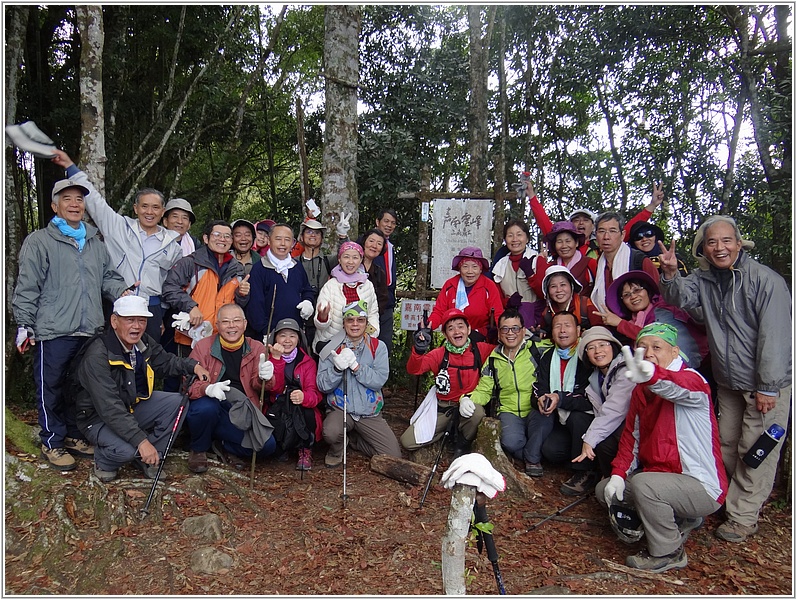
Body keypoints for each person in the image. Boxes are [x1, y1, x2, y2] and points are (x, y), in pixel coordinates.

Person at [658, 214, 791, 543]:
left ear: (738, 243)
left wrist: (768, 386)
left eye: (726, 240)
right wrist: (671, 273)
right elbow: (681, 299)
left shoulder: (765, 280)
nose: (720, 248)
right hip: (729, 382)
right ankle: (732, 501)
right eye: (712, 242)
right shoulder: (706, 280)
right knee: (728, 447)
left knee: (756, 451)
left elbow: (776, 337)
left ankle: (743, 517)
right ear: (703, 248)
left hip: (766, 384)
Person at [12, 177, 130, 470]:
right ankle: (51, 441)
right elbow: (27, 287)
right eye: (67, 199)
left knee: (80, 388)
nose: (74, 204)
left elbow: (108, 278)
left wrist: (123, 292)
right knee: (49, 386)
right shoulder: (40, 241)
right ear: (55, 206)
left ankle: (73, 437)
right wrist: (24, 325)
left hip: (89, 328)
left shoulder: (94, 242)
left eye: (79, 199)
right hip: (53, 329)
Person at [596, 323, 727, 573]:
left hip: (699, 484)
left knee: (645, 485)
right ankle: (680, 519)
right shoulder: (641, 391)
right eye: (642, 347)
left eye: (657, 347)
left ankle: (668, 551)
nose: (649, 353)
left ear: (675, 352)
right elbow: (630, 440)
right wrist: (618, 475)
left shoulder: (693, 381)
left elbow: (676, 387)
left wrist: (653, 377)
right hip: (661, 479)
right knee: (606, 490)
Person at [75, 296, 210, 482]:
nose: (137, 326)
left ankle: (150, 457)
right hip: (97, 417)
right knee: (127, 451)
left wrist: (192, 366)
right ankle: (104, 460)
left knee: (177, 403)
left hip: (131, 405)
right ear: (114, 321)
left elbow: (165, 362)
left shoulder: (141, 342)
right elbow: (109, 407)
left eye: (142, 321)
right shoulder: (97, 355)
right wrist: (141, 441)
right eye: (130, 320)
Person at [51, 150, 182, 340]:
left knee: (149, 362)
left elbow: (172, 282)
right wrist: (70, 166)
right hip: (118, 301)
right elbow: (95, 201)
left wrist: (161, 313)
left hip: (151, 308)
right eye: (144, 206)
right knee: (114, 358)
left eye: (155, 207)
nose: (149, 212)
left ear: (163, 212)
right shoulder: (118, 227)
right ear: (136, 208)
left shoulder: (172, 245)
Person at [184, 303, 277, 473]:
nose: (232, 326)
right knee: (206, 408)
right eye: (226, 322)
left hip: (241, 410)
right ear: (217, 325)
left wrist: (266, 377)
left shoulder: (256, 347)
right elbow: (188, 384)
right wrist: (207, 389)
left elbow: (261, 386)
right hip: (212, 405)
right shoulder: (203, 347)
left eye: (236, 321)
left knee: (267, 446)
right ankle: (198, 449)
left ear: (245, 324)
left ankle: (223, 444)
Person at [316, 300, 402, 466]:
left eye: (360, 320)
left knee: (392, 456)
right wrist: (336, 369)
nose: (355, 324)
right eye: (350, 320)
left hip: (369, 411)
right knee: (331, 432)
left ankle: (354, 441)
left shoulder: (378, 347)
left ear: (366, 322)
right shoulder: (331, 348)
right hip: (341, 409)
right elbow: (322, 385)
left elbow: (379, 380)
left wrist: (356, 367)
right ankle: (337, 449)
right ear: (344, 323)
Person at [400, 309, 494, 456]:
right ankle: (447, 431)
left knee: (477, 413)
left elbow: (503, 351)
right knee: (408, 441)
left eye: (461, 326)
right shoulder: (439, 354)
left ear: (469, 329)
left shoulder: (480, 350)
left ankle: (463, 443)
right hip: (444, 408)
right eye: (450, 328)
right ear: (445, 334)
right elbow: (414, 370)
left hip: (469, 404)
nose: (457, 331)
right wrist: (418, 350)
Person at [467, 308, 540, 475]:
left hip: (537, 410)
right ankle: (532, 453)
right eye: (505, 329)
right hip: (509, 411)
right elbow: (484, 390)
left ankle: (533, 451)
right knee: (511, 442)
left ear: (523, 331)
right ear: (499, 333)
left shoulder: (536, 350)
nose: (510, 333)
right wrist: (467, 399)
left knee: (555, 450)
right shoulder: (494, 359)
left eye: (515, 328)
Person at [530, 312, 596, 495]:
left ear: (578, 330)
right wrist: (541, 399)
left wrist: (560, 398)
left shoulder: (586, 356)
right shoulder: (548, 356)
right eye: (557, 326)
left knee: (578, 418)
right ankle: (577, 457)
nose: (562, 330)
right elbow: (539, 387)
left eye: (567, 325)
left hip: (587, 420)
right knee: (550, 451)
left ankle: (585, 471)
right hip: (561, 421)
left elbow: (588, 399)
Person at [162, 220, 250, 357]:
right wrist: (191, 306)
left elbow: (240, 304)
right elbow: (169, 288)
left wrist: (242, 294)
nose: (222, 239)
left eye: (227, 236)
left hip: (224, 337)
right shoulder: (190, 263)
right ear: (206, 238)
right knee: (193, 376)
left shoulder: (237, 268)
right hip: (192, 336)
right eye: (217, 234)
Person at [524, 180, 664, 260]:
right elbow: (545, 223)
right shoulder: (564, 244)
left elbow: (626, 229)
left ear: (594, 227)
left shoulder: (602, 242)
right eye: (576, 220)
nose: (580, 223)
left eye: (585, 220)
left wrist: (652, 206)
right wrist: (531, 196)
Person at [601, 270, 707, 367]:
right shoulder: (636, 321)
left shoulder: (663, 309)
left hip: (695, 366)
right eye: (626, 295)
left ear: (648, 291)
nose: (633, 297)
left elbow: (655, 337)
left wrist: (620, 324)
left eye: (637, 290)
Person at [572, 326, 635, 477]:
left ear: (613, 347)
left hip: (633, 428)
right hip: (619, 428)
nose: (598, 351)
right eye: (591, 347)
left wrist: (590, 439)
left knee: (605, 441)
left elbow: (614, 409)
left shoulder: (626, 370)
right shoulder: (595, 378)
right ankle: (611, 480)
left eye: (602, 345)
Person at [261, 318, 323, 470]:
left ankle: (305, 450)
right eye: (282, 335)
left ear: (299, 339)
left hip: (300, 408)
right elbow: (273, 389)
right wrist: (276, 359)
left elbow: (315, 394)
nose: (287, 340)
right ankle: (282, 448)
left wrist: (304, 397)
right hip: (278, 405)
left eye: (292, 336)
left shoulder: (307, 362)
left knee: (308, 413)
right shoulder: (266, 359)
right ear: (275, 338)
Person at [245, 223, 315, 339]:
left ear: (292, 243)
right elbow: (255, 307)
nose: (283, 243)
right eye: (278, 239)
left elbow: (306, 289)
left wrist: (308, 301)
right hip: (268, 335)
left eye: (287, 240)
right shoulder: (259, 269)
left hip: (294, 333)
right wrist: (265, 331)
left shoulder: (297, 266)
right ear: (269, 240)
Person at [313, 241, 380, 355]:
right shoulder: (330, 285)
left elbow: (373, 313)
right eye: (346, 257)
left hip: (360, 345)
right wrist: (322, 317)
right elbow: (320, 324)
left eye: (355, 257)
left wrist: (371, 335)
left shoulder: (367, 285)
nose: (350, 261)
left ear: (360, 260)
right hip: (332, 346)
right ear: (339, 259)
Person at [590, 211, 660, 314]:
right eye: (601, 231)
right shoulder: (599, 265)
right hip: (608, 322)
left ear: (622, 235)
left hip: (646, 320)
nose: (606, 237)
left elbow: (658, 295)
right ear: (596, 235)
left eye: (612, 231)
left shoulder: (639, 260)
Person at [427, 247, 503, 340]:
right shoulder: (450, 285)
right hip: (455, 336)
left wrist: (503, 333)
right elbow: (439, 312)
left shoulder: (488, 286)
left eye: (475, 267)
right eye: (465, 266)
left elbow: (498, 313)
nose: (470, 271)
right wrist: (427, 327)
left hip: (480, 336)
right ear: (459, 269)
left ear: (480, 269)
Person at [490, 219, 547, 328]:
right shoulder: (500, 265)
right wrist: (508, 302)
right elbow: (497, 296)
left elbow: (544, 293)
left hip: (536, 319)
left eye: (519, 235)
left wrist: (530, 274)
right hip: (510, 320)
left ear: (527, 238)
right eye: (510, 235)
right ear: (505, 240)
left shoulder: (537, 259)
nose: (515, 239)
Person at [536, 265, 602, 338]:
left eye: (563, 285)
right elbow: (547, 335)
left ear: (571, 286)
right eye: (553, 286)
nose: (559, 290)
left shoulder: (584, 305)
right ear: (547, 291)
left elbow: (600, 331)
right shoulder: (547, 313)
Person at [542, 221, 597, 295]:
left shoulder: (590, 263)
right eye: (559, 242)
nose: (564, 246)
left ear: (576, 243)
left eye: (568, 241)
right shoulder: (551, 267)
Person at [372, 208, 398, 354]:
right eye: (386, 221)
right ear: (378, 222)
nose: (389, 225)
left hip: (387, 303)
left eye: (393, 223)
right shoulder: (367, 243)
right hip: (369, 302)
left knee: (384, 346)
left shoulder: (390, 247)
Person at [357, 229, 391, 337]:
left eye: (379, 243)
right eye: (371, 241)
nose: (374, 246)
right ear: (364, 242)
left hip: (369, 320)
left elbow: (382, 300)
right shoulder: (351, 267)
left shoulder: (379, 273)